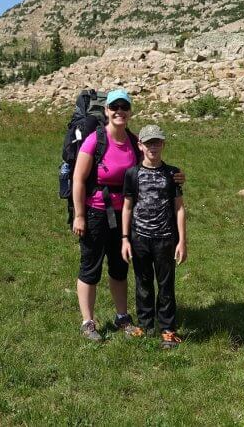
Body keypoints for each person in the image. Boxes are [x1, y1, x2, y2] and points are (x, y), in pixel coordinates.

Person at [71, 90, 185, 342]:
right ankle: (88, 322)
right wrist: (79, 215)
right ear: (106, 111)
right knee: (90, 266)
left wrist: (177, 176)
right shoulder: (95, 140)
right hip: (95, 213)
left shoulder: (135, 141)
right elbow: (78, 179)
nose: (119, 111)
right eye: (114, 107)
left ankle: (122, 317)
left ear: (130, 111)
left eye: (124, 107)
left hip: (125, 215)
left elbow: (155, 165)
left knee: (120, 266)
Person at [120, 124, 187, 349]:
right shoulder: (132, 174)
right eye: (148, 143)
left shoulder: (172, 174)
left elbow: (179, 208)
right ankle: (145, 325)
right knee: (143, 282)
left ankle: (168, 330)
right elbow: (127, 207)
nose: (153, 147)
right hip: (139, 237)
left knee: (166, 285)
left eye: (157, 142)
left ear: (163, 144)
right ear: (140, 145)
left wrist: (182, 241)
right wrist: (125, 238)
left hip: (166, 238)